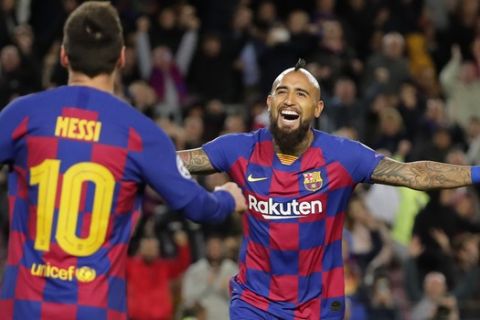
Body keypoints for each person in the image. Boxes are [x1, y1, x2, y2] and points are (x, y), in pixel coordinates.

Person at [178, 59, 480, 320]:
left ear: (318, 107)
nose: (289, 99)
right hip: (255, 302)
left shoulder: (343, 156)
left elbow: (414, 174)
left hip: (319, 305)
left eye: (301, 93)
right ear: (269, 103)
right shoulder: (237, 149)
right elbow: (173, 163)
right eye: (281, 91)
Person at [0, 2, 246, 320]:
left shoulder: (23, 114)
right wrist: (227, 198)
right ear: (121, 59)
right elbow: (197, 206)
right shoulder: (140, 134)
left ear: (64, 55)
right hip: (96, 309)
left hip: (24, 308)